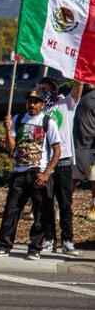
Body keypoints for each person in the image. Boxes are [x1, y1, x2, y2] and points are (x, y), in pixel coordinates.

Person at [0, 90, 61, 260]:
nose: (32, 105)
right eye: (30, 101)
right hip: (20, 173)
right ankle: (4, 245)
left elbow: (57, 151)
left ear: (42, 104)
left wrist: (46, 173)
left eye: (36, 102)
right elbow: (11, 147)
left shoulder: (47, 122)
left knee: (40, 213)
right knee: (11, 211)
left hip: (38, 173)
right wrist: (8, 131)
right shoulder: (18, 119)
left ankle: (35, 247)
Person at [37, 77, 82, 255]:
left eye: (48, 89)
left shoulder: (66, 103)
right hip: (45, 162)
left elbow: (78, 86)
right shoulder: (39, 109)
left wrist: (76, 71)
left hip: (63, 161)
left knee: (65, 203)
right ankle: (49, 239)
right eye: (42, 89)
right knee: (46, 202)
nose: (44, 92)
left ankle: (67, 240)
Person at [72, 84, 95, 221]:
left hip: (92, 145)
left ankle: (93, 207)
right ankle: (63, 206)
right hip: (78, 144)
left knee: (94, 178)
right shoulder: (78, 92)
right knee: (73, 178)